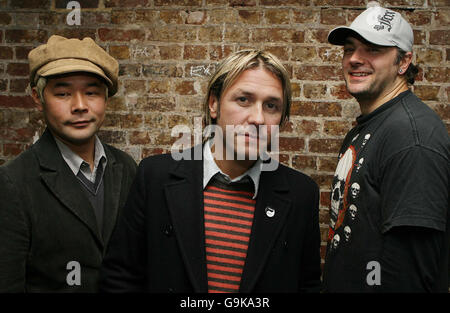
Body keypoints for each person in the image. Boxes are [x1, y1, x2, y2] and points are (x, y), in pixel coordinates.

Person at [100, 50, 322, 293]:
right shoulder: (155, 177)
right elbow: (120, 277)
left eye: (271, 106)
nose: (258, 118)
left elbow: (307, 285)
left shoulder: (301, 194)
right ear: (214, 104)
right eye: (243, 100)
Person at [322, 5, 449, 292]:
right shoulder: (371, 127)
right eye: (349, 48)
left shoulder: (412, 138)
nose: (355, 59)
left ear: (403, 62)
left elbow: (410, 274)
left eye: (373, 49)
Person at [0, 35, 137, 292]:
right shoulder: (12, 183)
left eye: (92, 92)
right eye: (63, 93)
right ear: (38, 97)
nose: (80, 106)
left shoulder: (125, 166)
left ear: (106, 98)